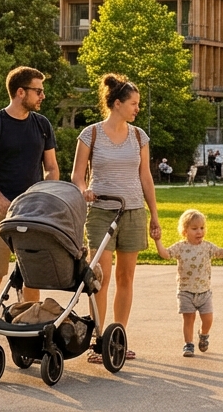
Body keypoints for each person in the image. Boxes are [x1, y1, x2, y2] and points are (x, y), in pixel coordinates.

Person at [0, 66, 59, 367]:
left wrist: (44, 195)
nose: (42, 95)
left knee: (31, 276)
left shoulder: (42, 125)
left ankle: (28, 342)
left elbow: (52, 168)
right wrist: (0, 199)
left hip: (33, 215)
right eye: (38, 90)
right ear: (21, 92)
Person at [72, 73, 162, 363]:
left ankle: (117, 338)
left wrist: (154, 216)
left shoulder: (139, 136)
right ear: (117, 103)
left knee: (126, 276)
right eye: (134, 103)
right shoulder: (91, 133)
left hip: (134, 210)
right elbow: (77, 175)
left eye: (138, 103)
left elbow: (145, 177)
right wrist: (85, 191)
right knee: (101, 276)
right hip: (100, 212)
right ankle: (98, 339)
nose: (137, 108)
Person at [154, 208, 223, 357]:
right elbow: (165, 254)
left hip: (204, 292)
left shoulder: (207, 247)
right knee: (189, 319)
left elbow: (222, 253)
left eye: (202, 228)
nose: (199, 232)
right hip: (185, 291)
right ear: (184, 231)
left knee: (207, 319)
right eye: (194, 229)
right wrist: (157, 240)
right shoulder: (180, 248)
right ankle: (188, 344)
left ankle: (204, 334)